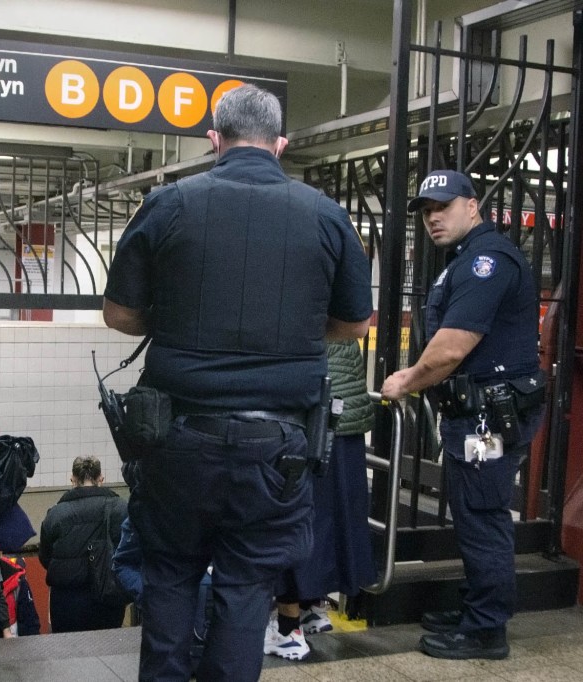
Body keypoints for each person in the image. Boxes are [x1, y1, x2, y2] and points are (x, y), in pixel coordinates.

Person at [102, 83, 372, 682]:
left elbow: (119, 314)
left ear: (213, 140)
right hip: (278, 449)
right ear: (281, 144)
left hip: (177, 437)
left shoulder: (169, 203)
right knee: (247, 588)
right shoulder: (326, 214)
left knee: (169, 574)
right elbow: (355, 323)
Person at [381, 170, 544, 661]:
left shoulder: (486, 263)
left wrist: (405, 381)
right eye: (427, 211)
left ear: (473, 207)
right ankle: (479, 607)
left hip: (490, 419)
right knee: (476, 514)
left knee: (483, 517)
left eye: (444, 206)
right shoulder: (466, 259)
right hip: (478, 415)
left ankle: (486, 630)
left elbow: (451, 349)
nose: (433, 217)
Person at [267, 338, 378, 661]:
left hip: (308, 416)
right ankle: (313, 608)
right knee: (332, 516)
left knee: (291, 515)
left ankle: (287, 629)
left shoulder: (292, 293)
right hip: (345, 415)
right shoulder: (339, 292)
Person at [39, 456, 129, 633]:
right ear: (101, 479)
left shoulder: (56, 514)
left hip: (66, 600)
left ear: (72, 479)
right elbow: (129, 552)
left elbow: (45, 558)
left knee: (69, 654)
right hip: (109, 596)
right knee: (108, 652)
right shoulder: (121, 508)